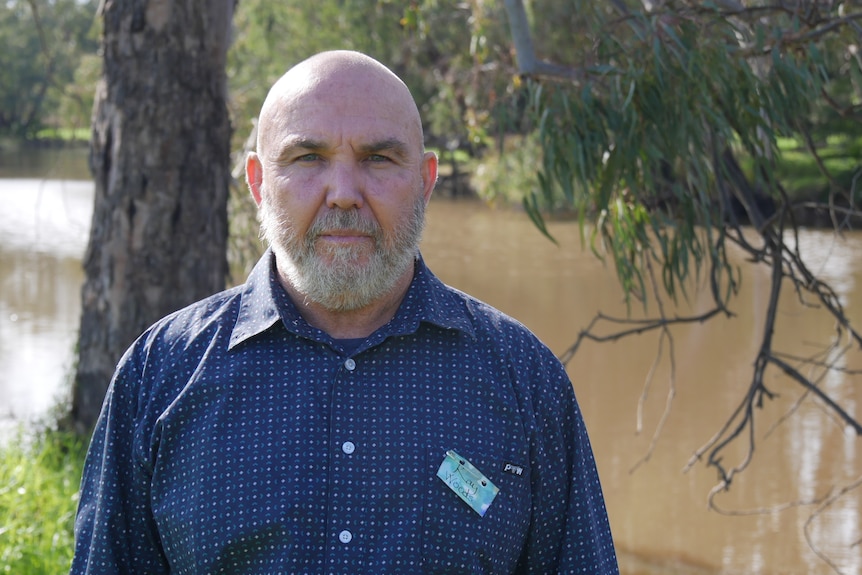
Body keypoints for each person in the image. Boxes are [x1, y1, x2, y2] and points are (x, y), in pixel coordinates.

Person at [70, 50, 619, 575]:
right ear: (259, 184)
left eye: (378, 158)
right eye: (308, 158)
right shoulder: (160, 373)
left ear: (425, 182)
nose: (343, 194)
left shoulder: (526, 380)